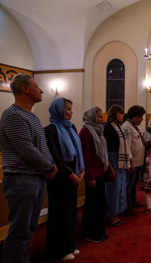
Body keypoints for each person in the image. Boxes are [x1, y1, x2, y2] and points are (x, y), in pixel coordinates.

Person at [0, 74, 58, 263]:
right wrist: (49, 166)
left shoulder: (30, 116)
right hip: (21, 180)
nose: (41, 90)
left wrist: (51, 165)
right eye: (37, 86)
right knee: (19, 233)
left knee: (28, 230)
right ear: (25, 89)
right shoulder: (12, 115)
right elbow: (27, 150)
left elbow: (42, 147)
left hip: (34, 178)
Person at [44, 97, 85, 261]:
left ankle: (69, 245)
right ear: (59, 110)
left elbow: (78, 150)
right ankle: (57, 250)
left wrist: (81, 170)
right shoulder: (50, 130)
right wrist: (71, 174)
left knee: (70, 213)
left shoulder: (71, 127)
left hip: (73, 175)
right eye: (68, 109)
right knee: (59, 213)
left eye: (71, 109)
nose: (71, 112)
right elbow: (54, 156)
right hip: (60, 178)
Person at [79, 106, 109, 243]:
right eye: (99, 117)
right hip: (92, 174)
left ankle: (99, 231)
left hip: (100, 173)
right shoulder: (85, 131)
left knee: (100, 204)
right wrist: (90, 177)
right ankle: (90, 233)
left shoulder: (99, 130)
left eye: (102, 117)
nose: (102, 119)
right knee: (92, 206)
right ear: (92, 117)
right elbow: (86, 157)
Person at [104, 105, 131, 226]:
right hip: (112, 160)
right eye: (120, 113)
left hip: (120, 161)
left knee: (120, 188)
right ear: (114, 114)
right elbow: (105, 147)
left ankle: (117, 212)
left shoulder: (119, 127)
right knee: (112, 189)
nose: (123, 115)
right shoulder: (107, 127)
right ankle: (110, 214)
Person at [122, 105, 146, 216]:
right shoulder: (126, 127)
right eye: (140, 117)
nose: (142, 119)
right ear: (134, 116)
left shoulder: (136, 126)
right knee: (129, 184)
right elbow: (126, 146)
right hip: (132, 161)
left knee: (135, 182)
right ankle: (127, 206)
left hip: (139, 160)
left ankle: (134, 201)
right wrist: (130, 162)